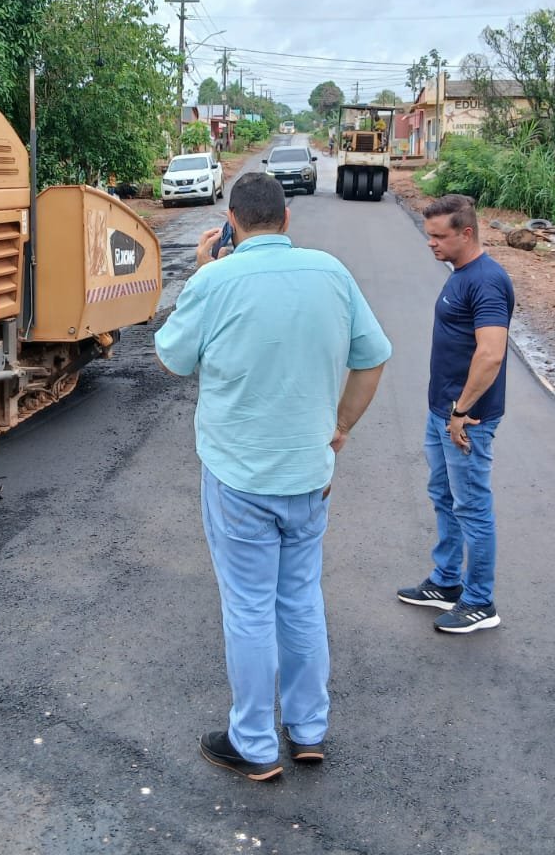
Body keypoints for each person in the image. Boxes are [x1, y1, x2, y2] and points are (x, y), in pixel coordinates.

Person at [155, 173, 391, 780]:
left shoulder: (216, 280)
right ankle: (308, 729)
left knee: (249, 609)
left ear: (231, 222)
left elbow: (173, 357)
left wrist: (202, 270)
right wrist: (339, 430)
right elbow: (373, 357)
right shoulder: (331, 274)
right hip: (309, 472)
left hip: (238, 476)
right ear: (287, 220)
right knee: (301, 600)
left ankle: (256, 744)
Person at [397, 194, 514, 634]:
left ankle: (480, 601)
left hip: (468, 420)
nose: (430, 243)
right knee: (444, 497)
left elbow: (491, 354)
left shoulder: (485, 281)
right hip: (444, 412)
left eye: (438, 236)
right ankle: (447, 582)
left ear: (466, 233)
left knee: (472, 507)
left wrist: (461, 412)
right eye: (429, 235)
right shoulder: (462, 273)